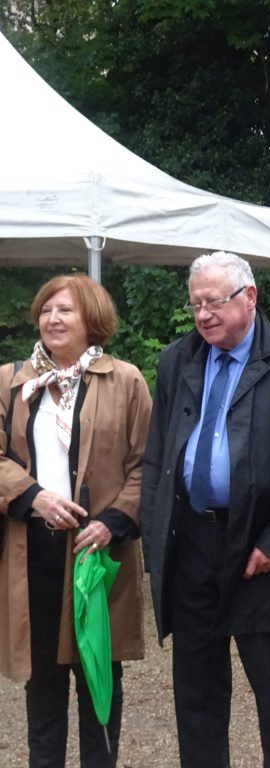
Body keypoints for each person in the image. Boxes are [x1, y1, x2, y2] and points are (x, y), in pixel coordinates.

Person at [141, 251, 270, 768]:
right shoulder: (178, 359)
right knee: (196, 690)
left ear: (249, 297)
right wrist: (157, 539)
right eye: (196, 303)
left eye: (215, 302)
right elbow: (158, 454)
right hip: (192, 544)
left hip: (259, 545)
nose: (204, 314)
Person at [0, 275, 151, 768]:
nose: (52, 319)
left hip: (98, 554)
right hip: (33, 555)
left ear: (92, 319)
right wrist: (32, 496)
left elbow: (147, 465)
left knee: (98, 682)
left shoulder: (126, 380)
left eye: (65, 310)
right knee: (42, 685)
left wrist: (113, 521)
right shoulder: (11, 381)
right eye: (46, 310)